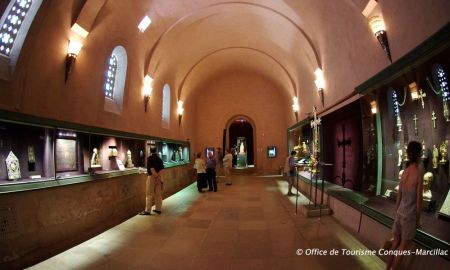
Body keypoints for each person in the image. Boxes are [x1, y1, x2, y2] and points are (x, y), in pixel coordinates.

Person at [386, 141, 423, 270]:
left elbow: (399, 196)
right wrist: (418, 220)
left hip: (400, 214)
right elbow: (419, 201)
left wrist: (397, 213)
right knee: (402, 249)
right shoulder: (418, 174)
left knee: (395, 243)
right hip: (409, 217)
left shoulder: (405, 172)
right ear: (419, 155)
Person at [140, 146, 165, 215]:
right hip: (159, 177)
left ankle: (147, 210)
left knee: (149, 194)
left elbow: (151, 169)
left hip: (151, 177)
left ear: (150, 151)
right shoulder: (159, 159)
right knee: (158, 194)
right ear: (156, 150)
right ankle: (158, 209)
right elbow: (163, 169)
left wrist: (155, 176)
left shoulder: (149, 158)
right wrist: (158, 176)